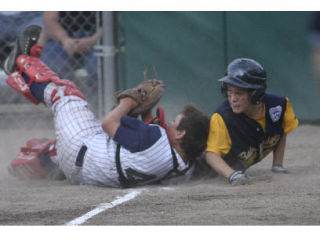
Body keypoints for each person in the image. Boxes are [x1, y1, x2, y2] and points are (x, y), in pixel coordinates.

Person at [4, 25, 210, 188]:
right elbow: (144, 142)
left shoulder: (154, 138)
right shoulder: (186, 166)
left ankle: (20, 63)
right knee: (67, 140)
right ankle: (35, 164)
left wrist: (131, 100)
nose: (171, 123)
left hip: (81, 150)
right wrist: (145, 111)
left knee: (67, 94)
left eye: (176, 123)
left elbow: (109, 123)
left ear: (181, 134)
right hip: (88, 172)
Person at [205, 58, 299, 185]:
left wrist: (277, 165)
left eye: (239, 93)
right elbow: (211, 155)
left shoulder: (279, 106)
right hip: (201, 169)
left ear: (255, 93)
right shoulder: (222, 118)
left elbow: (281, 131)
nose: (233, 99)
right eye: (229, 92)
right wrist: (232, 175)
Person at [40, 12, 102, 100]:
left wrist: (92, 40)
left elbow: (113, 22)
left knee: (96, 69)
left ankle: (92, 103)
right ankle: (67, 100)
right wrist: (65, 40)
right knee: (52, 67)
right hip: (61, 38)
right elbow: (49, 20)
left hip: (97, 38)